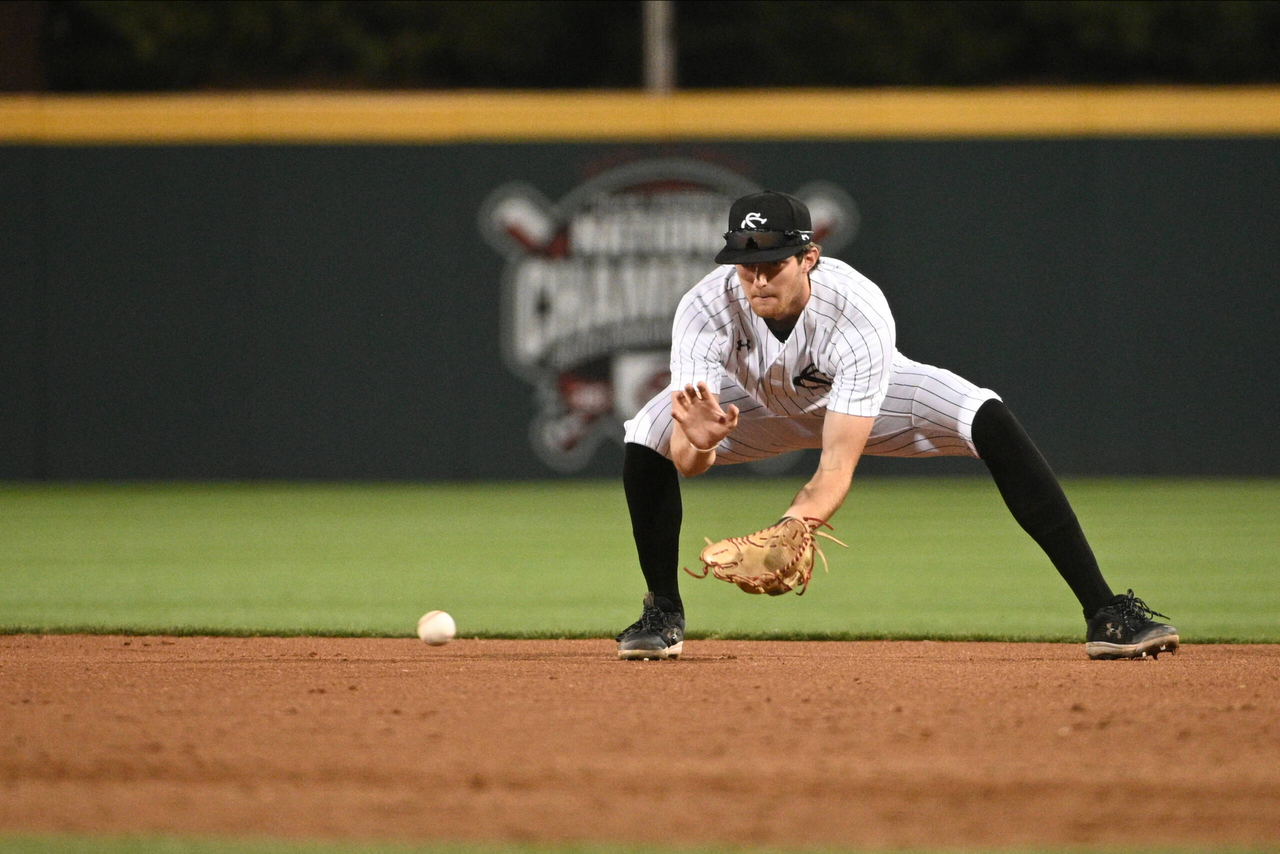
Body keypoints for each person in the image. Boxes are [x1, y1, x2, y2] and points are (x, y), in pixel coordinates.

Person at [615, 190, 1177, 662]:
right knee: (646, 433)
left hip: (867, 403)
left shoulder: (855, 307)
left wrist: (794, 524)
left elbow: (836, 464)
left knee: (987, 417)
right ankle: (663, 612)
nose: (758, 279)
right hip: (751, 409)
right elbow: (688, 459)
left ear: (809, 257)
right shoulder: (704, 308)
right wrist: (702, 444)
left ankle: (1106, 613)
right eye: (745, 264)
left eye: (773, 263)